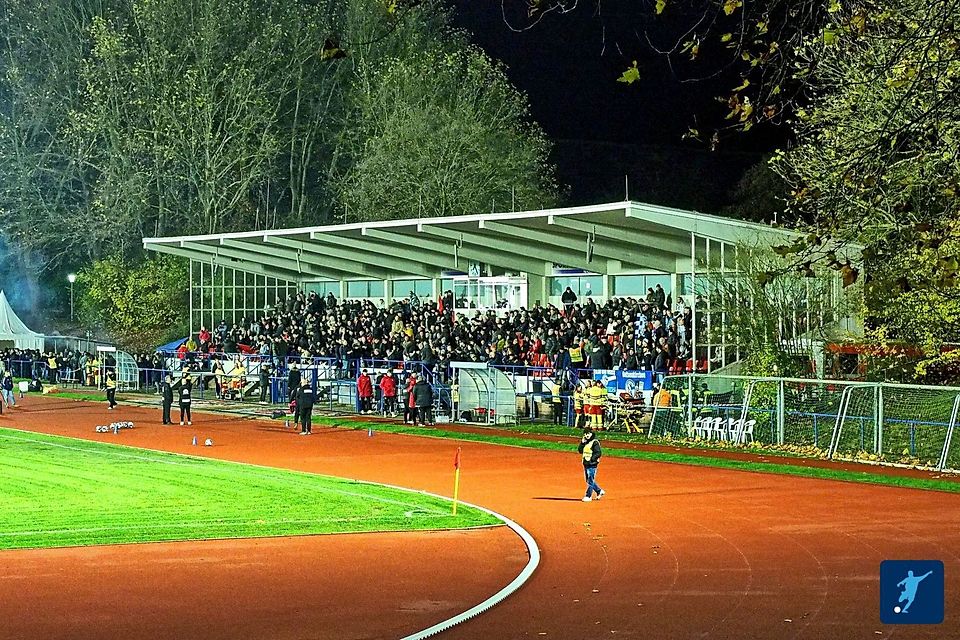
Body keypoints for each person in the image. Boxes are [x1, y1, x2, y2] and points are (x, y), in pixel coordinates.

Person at [578, 426, 604, 502]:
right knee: (588, 480)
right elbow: (580, 451)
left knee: (590, 480)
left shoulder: (595, 442)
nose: (587, 435)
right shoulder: (585, 442)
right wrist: (582, 443)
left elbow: (598, 453)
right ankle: (599, 491)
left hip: (592, 464)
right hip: (586, 463)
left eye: (588, 433)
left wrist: (592, 459)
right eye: (585, 434)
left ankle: (588, 495)